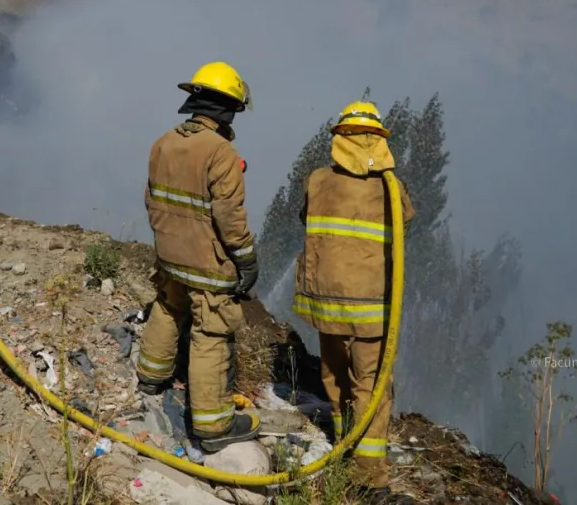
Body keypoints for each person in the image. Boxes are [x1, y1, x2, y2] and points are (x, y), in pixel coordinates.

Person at [291, 101, 415, 504]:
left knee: (334, 371)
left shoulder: (317, 180)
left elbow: (306, 217)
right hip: (371, 307)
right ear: (379, 142)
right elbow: (406, 222)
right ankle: (368, 476)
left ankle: (343, 437)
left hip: (325, 300)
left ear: (338, 140)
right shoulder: (391, 189)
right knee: (373, 386)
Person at [135, 61, 261, 453]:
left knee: (170, 306)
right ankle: (212, 426)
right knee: (211, 330)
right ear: (227, 108)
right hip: (207, 260)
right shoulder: (221, 151)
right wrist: (245, 259)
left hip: (169, 254)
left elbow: (151, 199)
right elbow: (228, 215)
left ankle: (150, 377)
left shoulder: (164, 141)